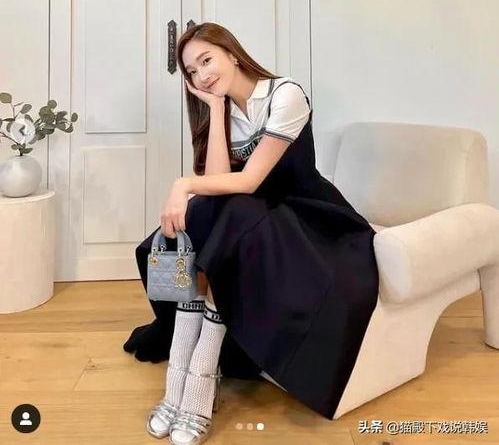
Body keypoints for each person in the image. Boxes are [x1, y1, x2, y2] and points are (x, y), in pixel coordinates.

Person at [123, 22, 379, 444]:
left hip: (308, 216)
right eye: (192, 72)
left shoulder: (285, 95)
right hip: (251, 214)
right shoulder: (222, 107)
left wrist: (182, 185)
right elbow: (220, 183)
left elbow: (249, 181)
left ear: (232, 53)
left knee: (219, 215)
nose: (202, 75)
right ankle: (179, 380)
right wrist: (216, 110)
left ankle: (199, 379)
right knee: (180, 233)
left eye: (207, 60)